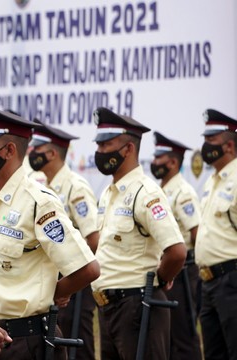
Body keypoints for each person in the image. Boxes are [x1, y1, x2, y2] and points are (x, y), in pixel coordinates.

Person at [0, 99, 99, 360]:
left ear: (8, 151)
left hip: (31, 341)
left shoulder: (39, 201)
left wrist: (52, 292)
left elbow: (88, 268)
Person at [91, 107, 186, 360]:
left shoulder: (146, 192)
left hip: (136, 306)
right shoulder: (110, 193)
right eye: (98, 146)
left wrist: (160, 280)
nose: (100, 152)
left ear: (128, 149)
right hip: (109, 308)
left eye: (107, 145)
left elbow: (176, 252)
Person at [28, 121, 99, 360]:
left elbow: (93, 239)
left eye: (37, 149)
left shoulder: (75, 187)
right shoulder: (43, 186)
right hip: (56, 279)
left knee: (79, 342)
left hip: (75, 279)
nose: (32, 153)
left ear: (51, 153)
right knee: (59, 343)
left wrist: (71, 281)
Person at [149, 131, 202, 360]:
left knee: (183, 336)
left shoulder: (183, 192)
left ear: (172, 162)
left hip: (182, 272)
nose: (154, 162)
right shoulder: (160, 190)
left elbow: (197, 234)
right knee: (166, 337)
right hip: (164, 271)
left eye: (159, 158)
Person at [195, 109, 237, 360]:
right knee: (213, 353)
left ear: (229, 145)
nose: (205, 146)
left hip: (231, 280)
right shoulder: (214, 180)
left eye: (211, 141)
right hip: (209, 282)